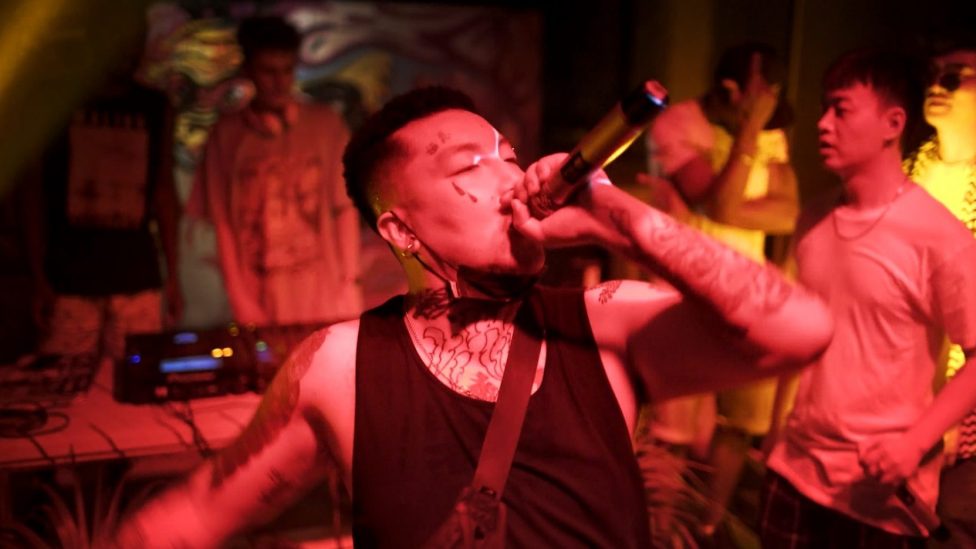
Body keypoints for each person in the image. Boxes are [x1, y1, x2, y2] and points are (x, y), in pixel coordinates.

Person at [113, 86, 834, 547]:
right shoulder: (340, 366)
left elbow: (802, 330)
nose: (510, 177)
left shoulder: (604, 324)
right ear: (399, 230)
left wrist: (621, 217)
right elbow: (194, 515)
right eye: (469, 166)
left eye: (510, 157)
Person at [760, 49, 976, 548]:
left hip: (877, 494)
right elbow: (799, 337)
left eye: (841, 109)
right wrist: (774, 438)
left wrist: (915, 442)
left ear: (893, 123)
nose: (823, 124)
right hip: (794, 472)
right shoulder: (813, 218)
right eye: (824, 109)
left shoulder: (940, 237)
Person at [645, 42, 799, 539]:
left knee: (739, 425)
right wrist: (750, 134)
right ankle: (660, 535)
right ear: (732, 92)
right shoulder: (678, 124)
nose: (765, 118)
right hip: (684, 295)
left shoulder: (768, 130)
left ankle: (709, 529)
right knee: (672, 432)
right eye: (758, 105)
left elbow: (788, 212)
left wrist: (736, 203)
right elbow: (713, 203)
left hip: (746, 294)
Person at [904, 35, 976, 548]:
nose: (937, 85)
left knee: (955, 524)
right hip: (903, 386)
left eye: (954, 76)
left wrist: (948, 408)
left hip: (971, 404)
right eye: (933, 73)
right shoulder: (914, 166)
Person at [188, 15, 362, 326]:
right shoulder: (226, 135)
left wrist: (350, 283)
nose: (279, 82)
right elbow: (223, 225)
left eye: (287, 70)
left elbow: (343, 209)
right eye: (268, 71)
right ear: (248, 71)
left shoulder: (326, 125)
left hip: (323, 292)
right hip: (259, 295)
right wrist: (239, 299)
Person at [24, 45, 181, 368]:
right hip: (69, 279)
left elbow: (164, 193)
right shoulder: (56, 101)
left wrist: (174, 276)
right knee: (64, 383)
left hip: (136, 277)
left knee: (137, 381)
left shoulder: (154, 106)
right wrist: (38, 277)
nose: (126, 55)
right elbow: (33, 195)